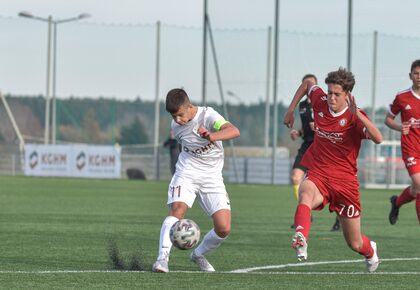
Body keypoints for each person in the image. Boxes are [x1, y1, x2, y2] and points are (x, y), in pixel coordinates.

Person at [283, 68, 383, 272]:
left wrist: (360, 117)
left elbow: (378, 138)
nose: (331, 97)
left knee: (354, 243)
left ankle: (370, 251)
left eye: (337, 94)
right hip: (320, 173)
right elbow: (308, 85)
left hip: (346, 184)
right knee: (305, 194)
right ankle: (301, 236)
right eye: (329, 92)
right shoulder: (320, 101)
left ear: (348, 95)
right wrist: (291, 109)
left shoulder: (355, 117)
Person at [152, 88, 240, 273]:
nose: (177, 120)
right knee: (177, 209)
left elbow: (233, 131)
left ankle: (198, 254)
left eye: (180, 115)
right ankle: (162, 259)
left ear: (190, 106)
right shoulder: (176, 127)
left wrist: (211, 135)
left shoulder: (208, 116)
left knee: (223, 228)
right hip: (187, 173)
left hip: (212, 177)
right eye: (173, 116)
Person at [289, 74, 341, 232]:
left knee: (336, 185)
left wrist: (319, 128)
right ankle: (304, 212)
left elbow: (336, 126)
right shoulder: (302, 105)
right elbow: (306, 128)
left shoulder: (327, 103)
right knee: (296, 177)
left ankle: (339, 218)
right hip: (307, 145)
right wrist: (298, 132)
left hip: (324, 146)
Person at [385, 59, 420, 225]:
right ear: (410, 76)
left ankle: (396, 203)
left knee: (416, 189)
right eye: (416, 74)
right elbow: (388, 120)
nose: (419, 77)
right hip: (411, 148)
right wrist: (400, 127)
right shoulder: (402, 97)